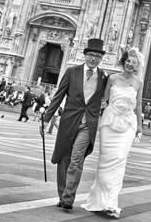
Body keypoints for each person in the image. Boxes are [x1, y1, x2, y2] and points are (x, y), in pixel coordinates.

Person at [41, 38, 109, 212]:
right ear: (85, 55)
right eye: (91, 55)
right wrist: (46, 118)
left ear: (101, 59)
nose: (94, 59)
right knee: (64, 158)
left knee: (76, 159)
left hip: (88, 124)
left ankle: (68, 198)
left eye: (97, 56)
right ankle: (62, 195)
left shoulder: (104, 77)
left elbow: (109, 98)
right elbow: (58, 96)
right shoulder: (72, 72)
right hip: (69, 121)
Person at [82, 46, 144, 219]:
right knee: (104, 162)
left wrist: (140, 125)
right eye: (128, 61)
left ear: (137, 66)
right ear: (123, 62)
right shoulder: (112, 78)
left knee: (119, 159)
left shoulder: (139, 82)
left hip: (128, 125)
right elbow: (103, 100)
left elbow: (138, 105)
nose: (130, 64)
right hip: (109, 122)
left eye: (134, 62)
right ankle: (99, 201)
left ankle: (110, 203)